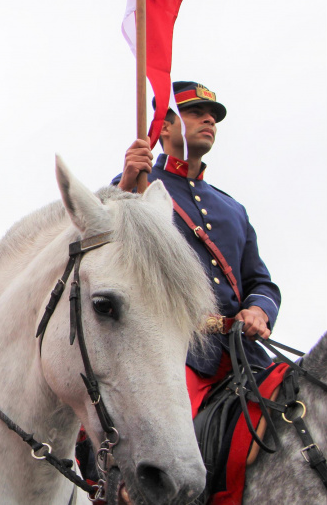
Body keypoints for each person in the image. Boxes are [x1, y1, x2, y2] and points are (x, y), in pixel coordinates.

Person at [116, 80, 281, 414]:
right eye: (194, 113)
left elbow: (260, 282)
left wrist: (258, 311)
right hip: (174, 349)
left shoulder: (232, 209)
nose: (209, 121)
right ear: (163, 128)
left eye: (212, 117)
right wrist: (125, 186)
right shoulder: (138, 188)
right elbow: (96, 251)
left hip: (243, 353)